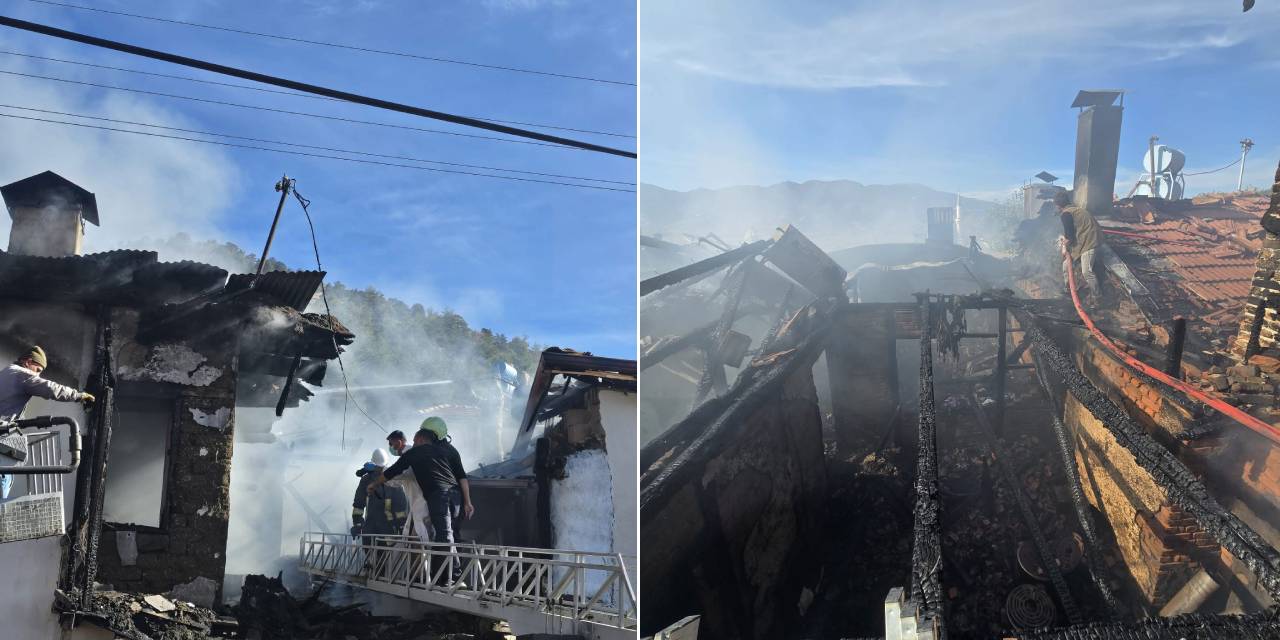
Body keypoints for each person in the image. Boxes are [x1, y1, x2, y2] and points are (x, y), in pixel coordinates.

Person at [368, 416, 474, 585]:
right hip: (454, 496)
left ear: (424, 437)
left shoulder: (415, 453)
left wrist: (375, 481)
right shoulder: (447, 450)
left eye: (416, 439)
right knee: (448, 536)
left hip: (435, 499)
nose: (414, 442)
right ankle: (439, 576)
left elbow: (394, 473)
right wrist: (467, 502)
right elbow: (462, 477)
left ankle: (446, 577)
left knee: (442, 537)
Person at [0, 346, 94, 499]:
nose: (37, 374)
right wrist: (79, 396)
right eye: (37, 369)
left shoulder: (7, 372)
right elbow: (51, 388)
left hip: (3, 434)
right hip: (1, 436)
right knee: (3, 481)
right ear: (28, 362)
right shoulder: (22, 375)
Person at [353, 448, 406, 578]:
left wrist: (402, 525)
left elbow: (400, 507)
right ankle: (375, 573)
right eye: (377, 468)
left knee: (386, 556)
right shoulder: (366, 480)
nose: (379, 471)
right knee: (371, 552)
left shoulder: (394, 480)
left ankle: (381, 576)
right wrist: (358, 523)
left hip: (387, 528)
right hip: (371, 527)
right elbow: (359, 504)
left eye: (380, 468)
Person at [385, 429, 432, 546]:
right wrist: (384, 479)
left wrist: (382, 473)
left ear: (399, 442)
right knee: (412, 540)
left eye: (391, 443)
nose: (390, 447)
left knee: (421, 542)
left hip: (422, 502)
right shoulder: (408, 455)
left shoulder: (410, 454)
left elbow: (402, 474)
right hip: (417, 504)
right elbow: (397, 482)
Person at [1055, 190, 1101, 302]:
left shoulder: (1066, 214)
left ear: (1058, 205)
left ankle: (1097, 296)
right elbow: (1071, 233)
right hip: (1084, 240)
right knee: (1066, 265)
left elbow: (1069, 236)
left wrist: (1063, 247)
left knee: (1086, 272)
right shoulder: (1076, 210)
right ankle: (1068, 290)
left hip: (1089, 242)